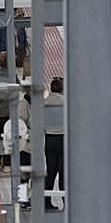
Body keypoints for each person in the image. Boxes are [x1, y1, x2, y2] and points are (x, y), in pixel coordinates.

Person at [43, 77, 65, 210]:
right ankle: (66, 203)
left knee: (50, 172)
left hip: (49, 140)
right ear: (62, 89)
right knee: (63, 173)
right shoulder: (66, 102)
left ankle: (46, 202)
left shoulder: (45, 103)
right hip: (62, 140)